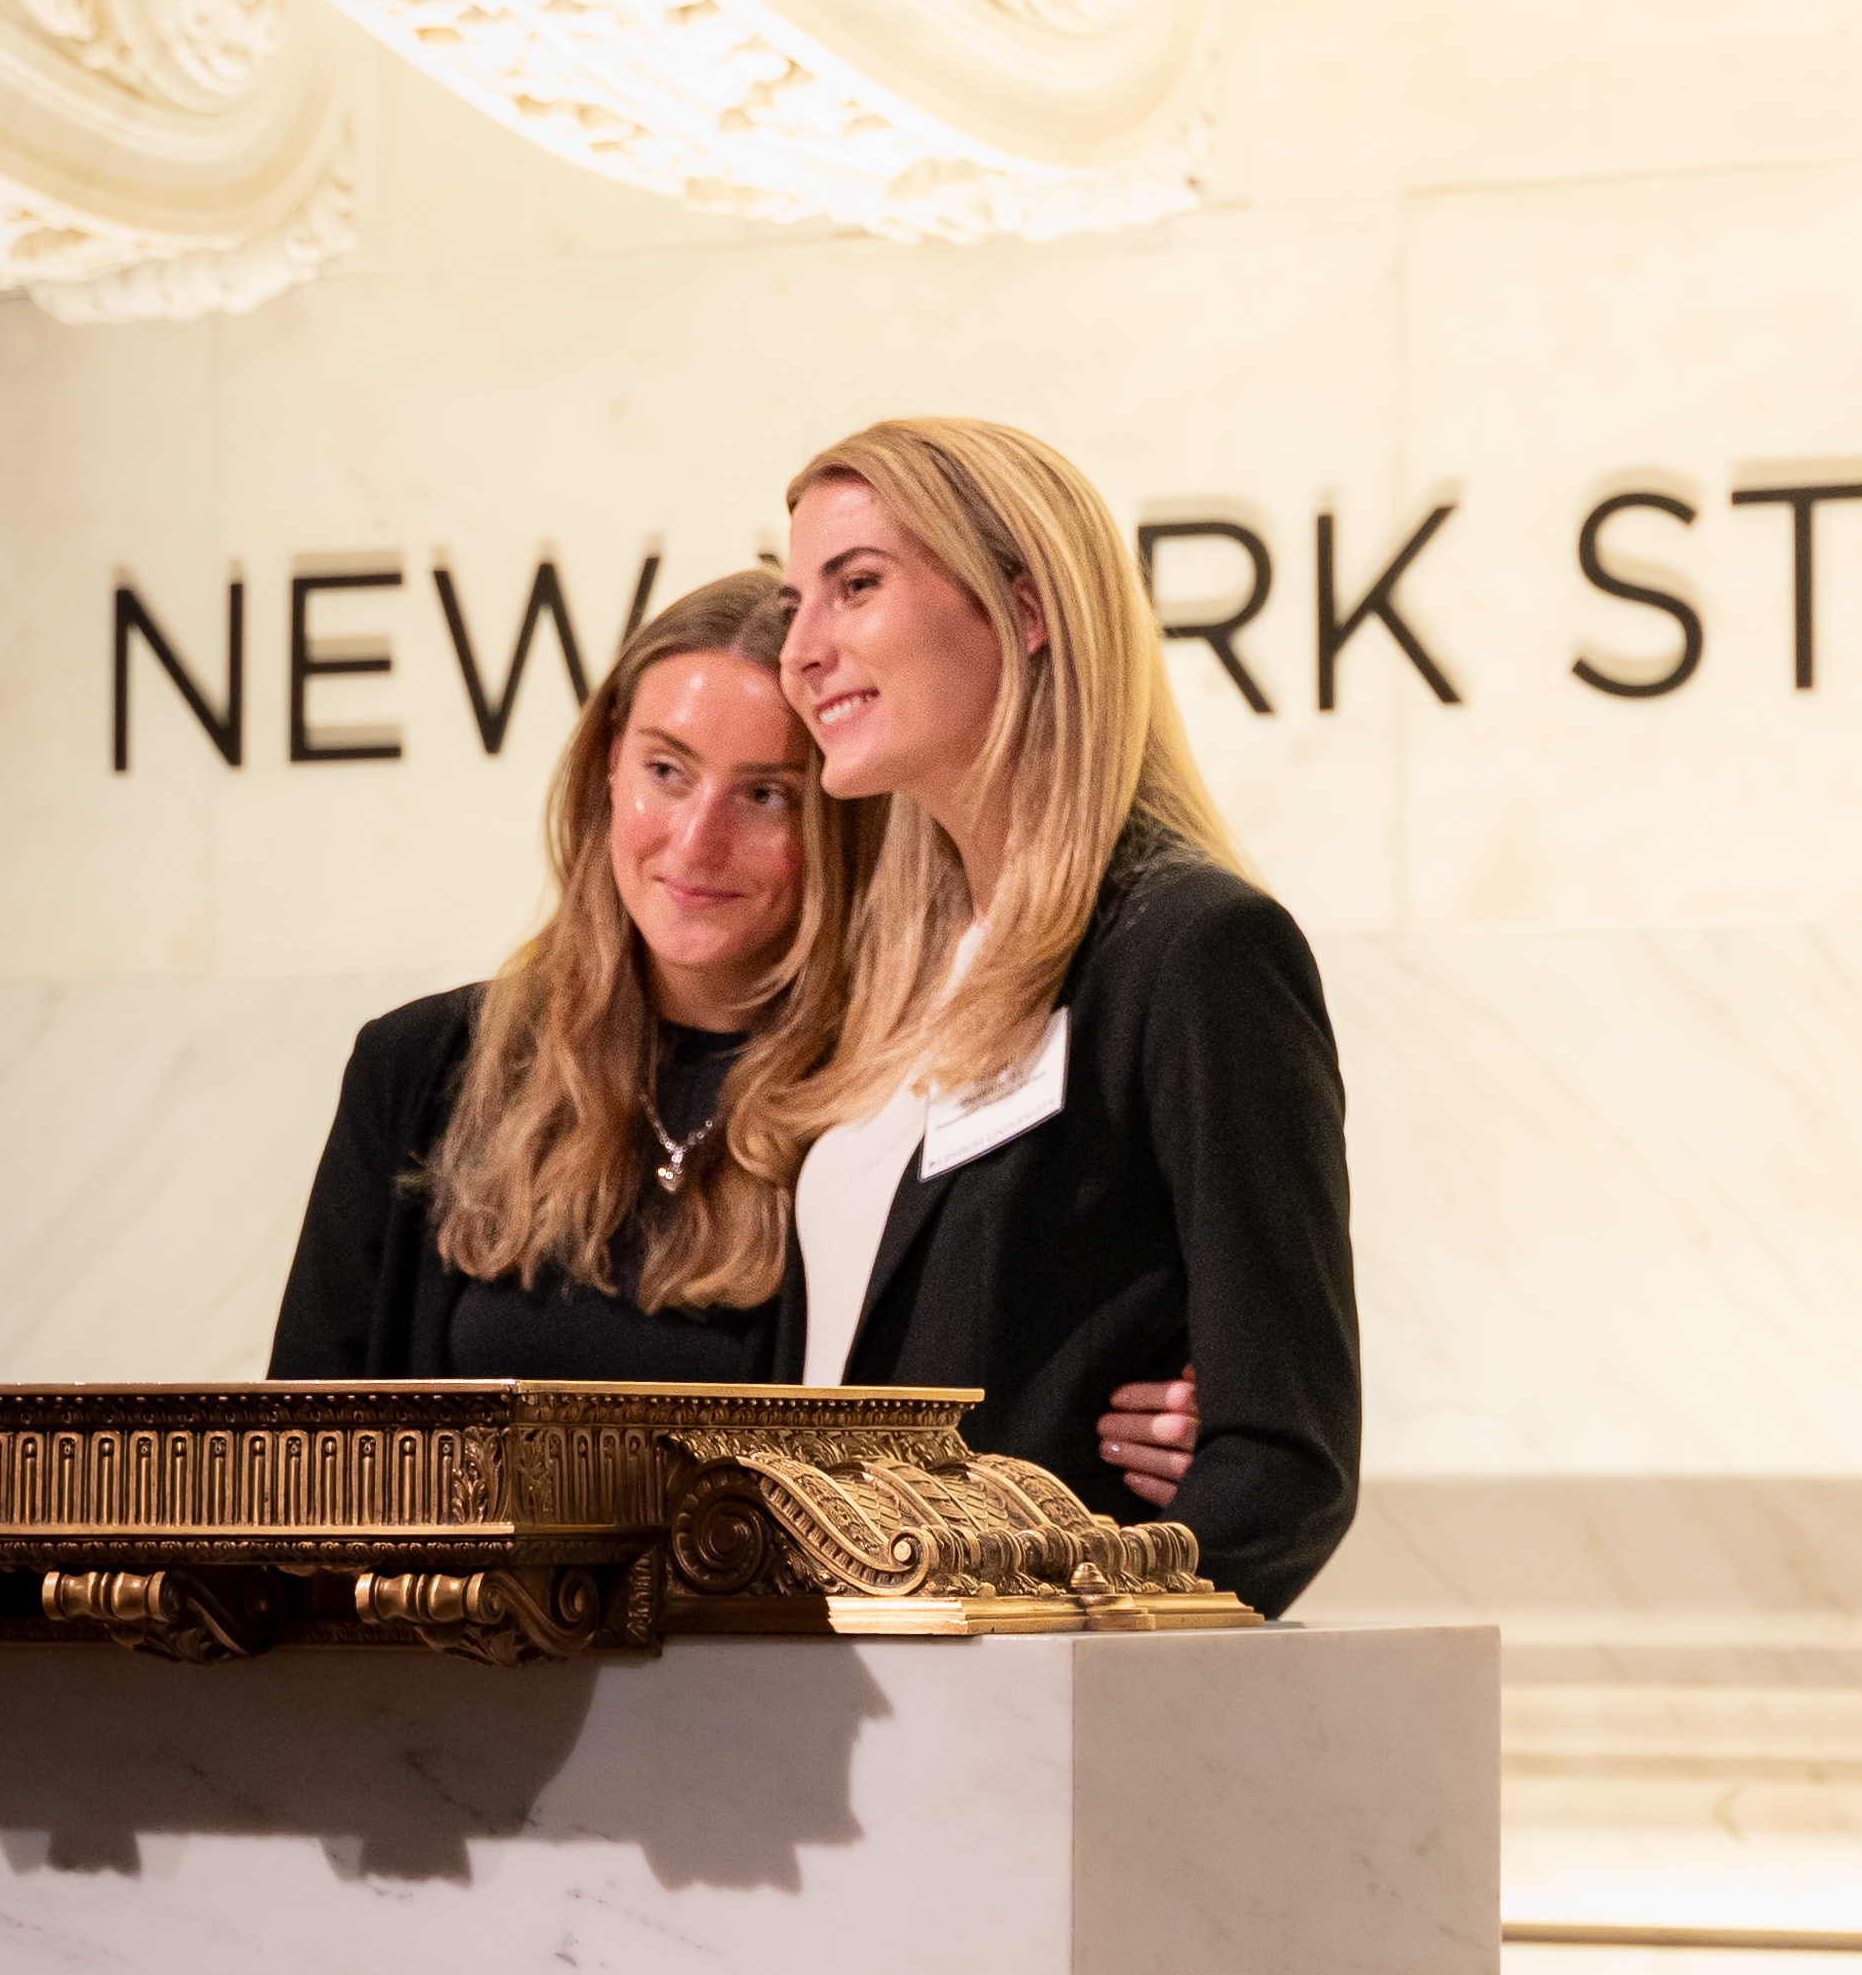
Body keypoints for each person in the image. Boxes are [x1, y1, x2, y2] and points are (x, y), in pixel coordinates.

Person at [773, 416, 1357, 1612]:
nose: (802, 651)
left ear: (1027, 611)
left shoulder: (1194, 949)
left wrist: (1070, 1640)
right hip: (823, 1710)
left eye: (856, 587)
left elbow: (1283, 1464)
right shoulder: (886, 982)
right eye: (796, 603)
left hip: (1016, 1733)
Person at [264, 568, 853, 1381]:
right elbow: (304, 1454)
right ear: (611, 765)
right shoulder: (421, 1066)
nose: (695, 841)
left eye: (764, 795)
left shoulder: (885, 1097)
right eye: (666, 771)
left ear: (841, 818)